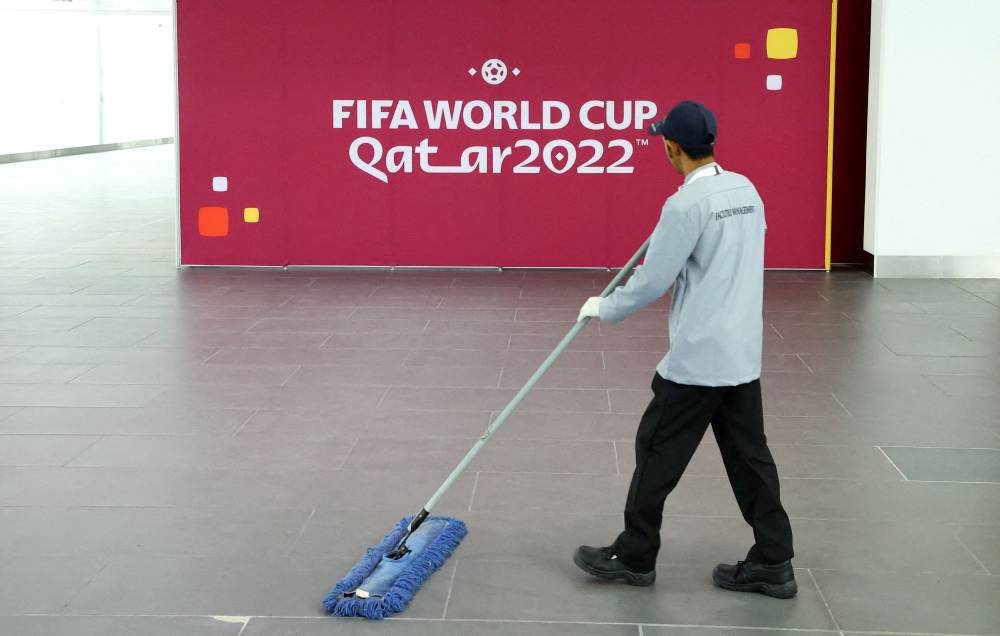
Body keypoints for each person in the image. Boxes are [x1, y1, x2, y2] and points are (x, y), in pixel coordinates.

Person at [573, 100, 797, 599]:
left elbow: (654, 279)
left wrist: (603, 308)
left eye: (663, 143)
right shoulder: (746, 190)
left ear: (672, 147)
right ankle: (774, 561)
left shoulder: (684, 206)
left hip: (698, 360)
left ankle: (634, 556)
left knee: (655, 453)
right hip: (741, 354)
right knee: (750, 459)